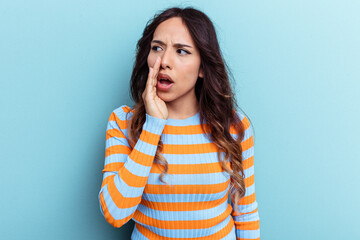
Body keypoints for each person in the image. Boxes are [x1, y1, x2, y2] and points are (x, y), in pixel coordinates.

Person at [98, 6, 260, 239]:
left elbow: (245, 213)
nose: (164, 61)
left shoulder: (233, 126)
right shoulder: (122, 122)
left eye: (181, 51)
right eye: (157, 48)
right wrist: (152, 126)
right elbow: (115, 213)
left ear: (203, 67)